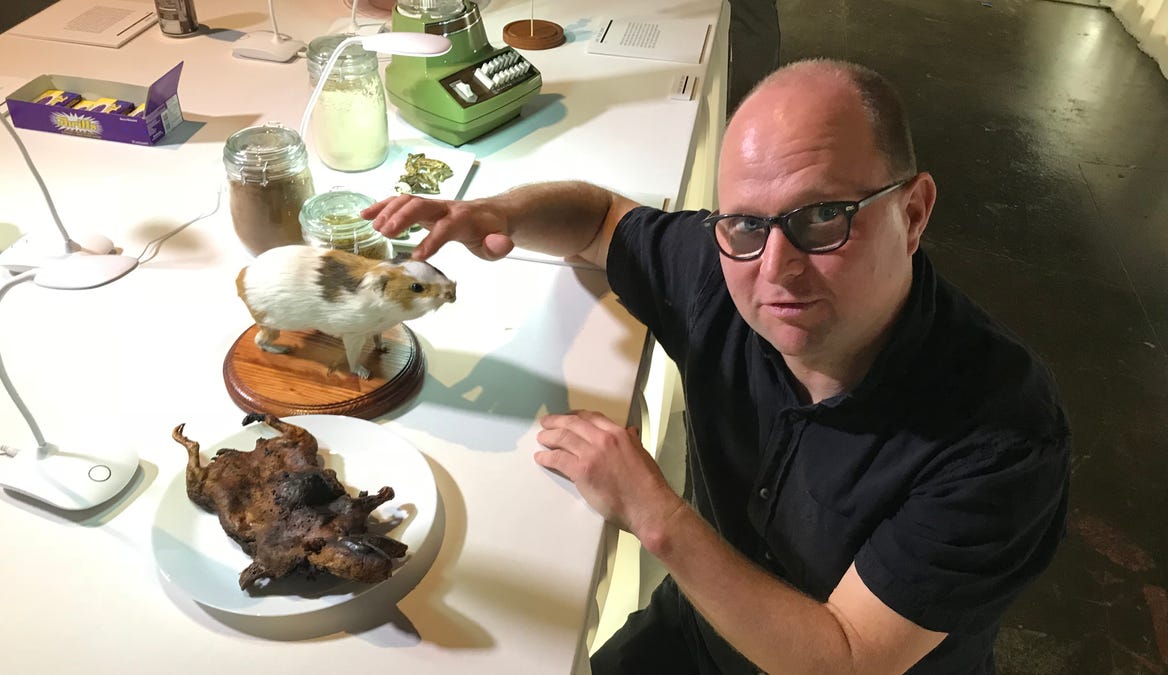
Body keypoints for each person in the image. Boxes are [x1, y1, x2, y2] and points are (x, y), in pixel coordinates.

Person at [363, 59, 1071, 674]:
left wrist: (653, 510)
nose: (776, 269)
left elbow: (848, 656)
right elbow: (601, 221)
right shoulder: (724, 265)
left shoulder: (1001, 434)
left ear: (912, 213)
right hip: (703, 637)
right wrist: (497, 212)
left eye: (823, 216)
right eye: (746, 224)